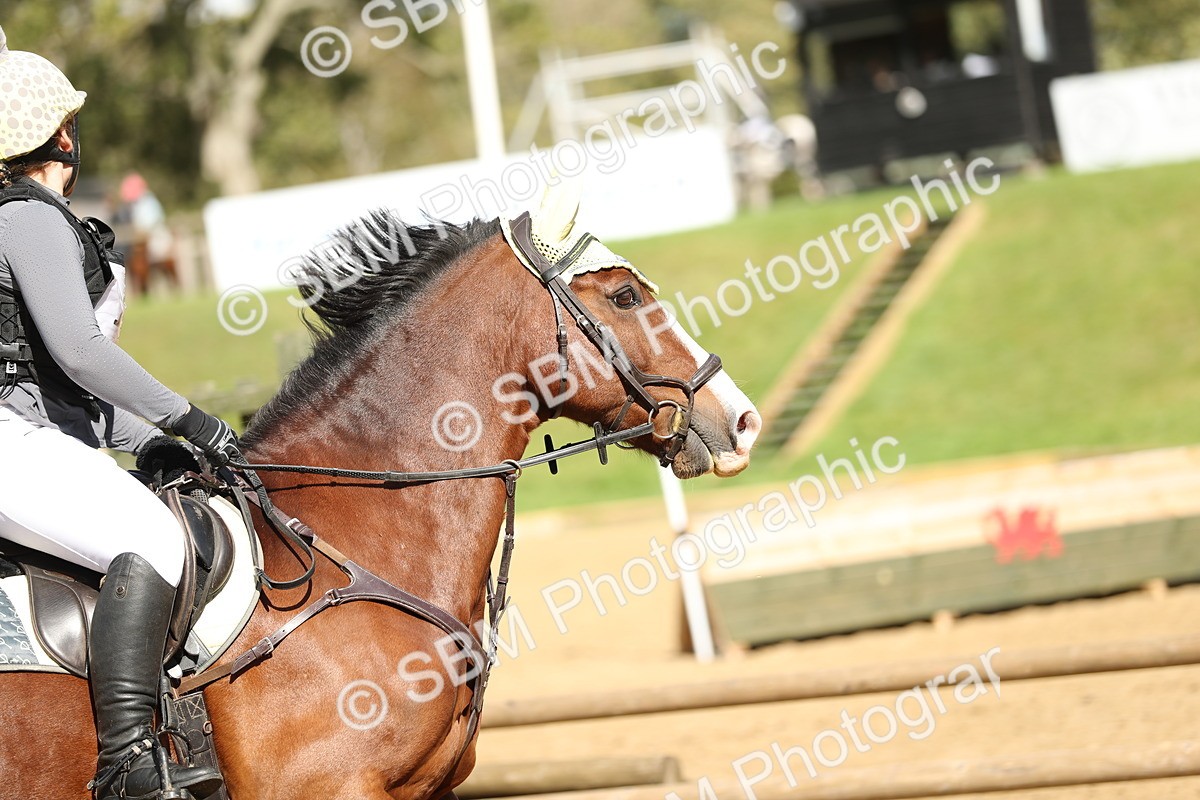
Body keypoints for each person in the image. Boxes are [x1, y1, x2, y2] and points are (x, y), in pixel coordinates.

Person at [0, 27, 236, 800]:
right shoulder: (25, 215)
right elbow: (79, 353)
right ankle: (126, 765)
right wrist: (192, 422)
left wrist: (148, 442)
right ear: (61, 134)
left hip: (31, 436)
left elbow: (64, 393)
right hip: (10, 443)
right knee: (151, 535)